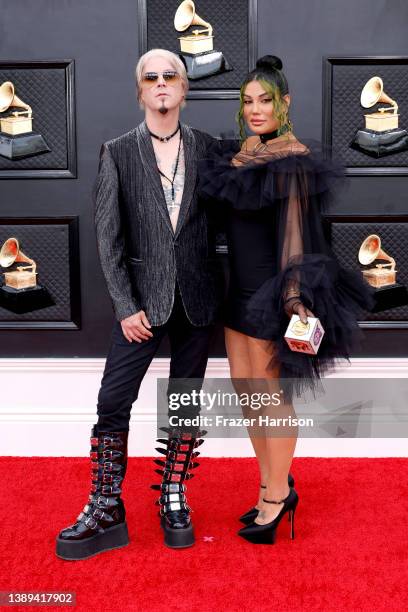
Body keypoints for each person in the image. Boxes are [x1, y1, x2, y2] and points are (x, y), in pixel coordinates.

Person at [199, 55, 374, 545]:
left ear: (285, 103)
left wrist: (293, 299)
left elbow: (296, 236)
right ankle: (265, 487)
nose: (257, 110)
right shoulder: (237, 158)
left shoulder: (292, 162)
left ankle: (277, 497)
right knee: (248, 395)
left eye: (266, 101)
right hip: (237, 293)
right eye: (248, 102)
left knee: (272, 400)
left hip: (272, 295)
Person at [55, 49, 219, 559]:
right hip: (140, 305)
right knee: (112, 402)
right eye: (151, 77)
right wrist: (125, 306)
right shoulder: (118, 151)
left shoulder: (210, 149)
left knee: (183, 404)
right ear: (140, 90)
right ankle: (106, 503)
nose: (162, 83)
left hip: (197, 299)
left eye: (171, 75)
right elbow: (108, 240)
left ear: (185, 87)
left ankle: (173, 493)